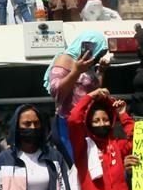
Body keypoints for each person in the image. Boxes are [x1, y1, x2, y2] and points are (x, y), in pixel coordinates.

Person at [44, 30, 110, 163]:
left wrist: (101, 72)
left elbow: (91, 91)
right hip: (69, 123)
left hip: (87, 122)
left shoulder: (87, 65)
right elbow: (56, 92)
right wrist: (76, 71)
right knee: (76, 166)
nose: (98, 56)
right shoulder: (64, 60)